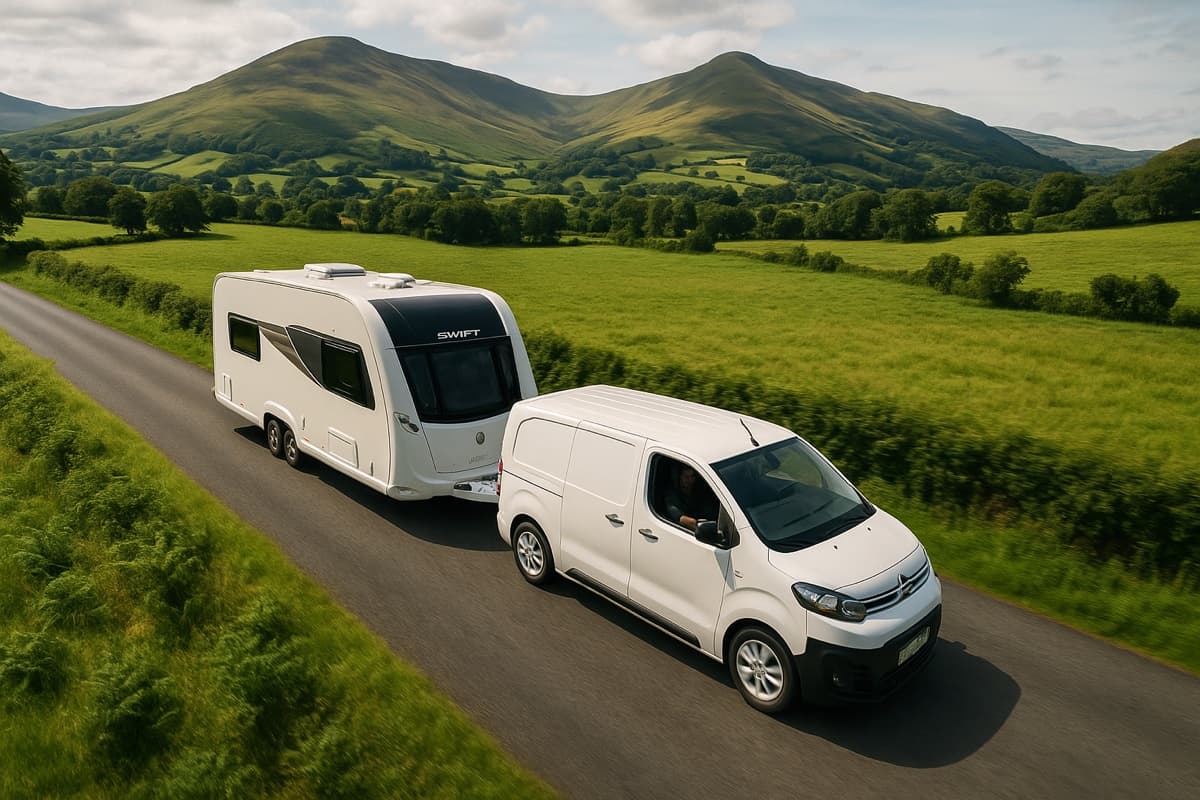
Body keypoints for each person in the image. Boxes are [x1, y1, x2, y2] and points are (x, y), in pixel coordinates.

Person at [663, 464, 719, 532]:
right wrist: (697, 524)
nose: (690, 480)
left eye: (692, 476)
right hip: (687, 531)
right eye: (686, 477)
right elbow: (680, 518)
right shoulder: (672, 495)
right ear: (679, 477)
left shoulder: (700, 489)